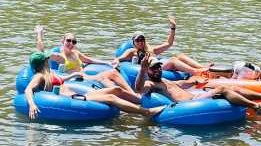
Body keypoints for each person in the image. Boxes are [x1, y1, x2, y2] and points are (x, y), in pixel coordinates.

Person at [25, 51, 165, 120]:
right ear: (43, 63)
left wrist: (72, 76)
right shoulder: (39, 76)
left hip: (78, 95)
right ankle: (146, 112)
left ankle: (144, 102)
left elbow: (61, 82)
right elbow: (28, 89)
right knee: (111, 97)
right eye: (47, 60)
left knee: (115, 89)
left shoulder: (49, 75)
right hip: (74, 99)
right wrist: (32, 104)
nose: (49, 61)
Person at [135, 54, 261, 116]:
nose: (157, 70)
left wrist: (194, 80)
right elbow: (139, 89)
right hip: (189, 103)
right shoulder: (150, 83)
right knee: (223, 89)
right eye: (153, 68)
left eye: (158, 67)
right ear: (148, 71)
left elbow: (181, 84)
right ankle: (257, 107)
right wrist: (142, 70)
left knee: (230, 87)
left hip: (195, 95)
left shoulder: (164, 81)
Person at [35, 25, 136, 95]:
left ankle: (132, 94)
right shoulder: (59, 56)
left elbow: (89, 60)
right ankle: (125, 96)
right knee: (103, 78)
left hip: (86, 76)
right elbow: (41, 53)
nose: (71, 43)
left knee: (113, 72)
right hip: (76, 80)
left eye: (73, 42)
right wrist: (39, 34)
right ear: (62, 41)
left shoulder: (76, 53)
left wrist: (107, 62)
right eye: (68, 41)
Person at [112, 16, 211, 76]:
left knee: (180, 56)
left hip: (160, 66)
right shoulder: (131, 51)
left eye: (142, 39)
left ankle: (204, 68)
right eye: (137, 40)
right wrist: (116, 61)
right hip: (152, 70)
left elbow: (168, 43)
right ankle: (196, 72)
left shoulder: (151, 50)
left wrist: (173, 28)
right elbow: (119, 58)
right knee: (173, 60)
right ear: (134, 42)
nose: (140, 42)